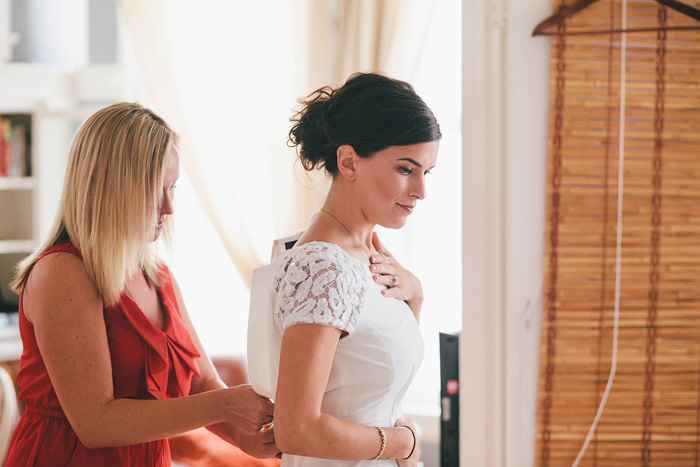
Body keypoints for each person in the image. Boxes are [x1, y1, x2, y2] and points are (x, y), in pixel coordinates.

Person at [5, 103, 277, 466]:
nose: (169, 207)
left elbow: (200, 383)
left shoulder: (158, 276)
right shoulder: (62, 273)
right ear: (110, 188)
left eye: (173, 187)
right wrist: (224, 405)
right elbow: (95, 424)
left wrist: (246, 439)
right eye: (155, 189)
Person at [272, 73, 440, 466]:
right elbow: (296, 429)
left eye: (425, 173)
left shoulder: (366, 256)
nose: (420, 190)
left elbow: (376, 377)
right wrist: (403, 444)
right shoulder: (324, 267)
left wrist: (415, 295)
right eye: (405, 169)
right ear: (348, 162)